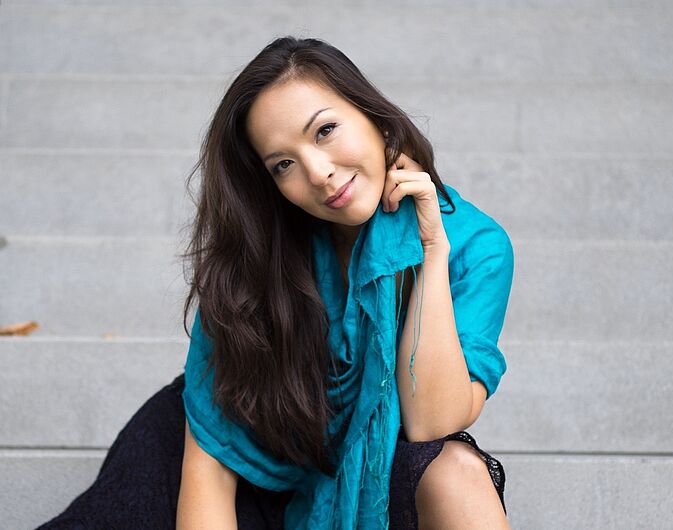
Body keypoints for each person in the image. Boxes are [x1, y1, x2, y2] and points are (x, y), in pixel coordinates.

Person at [37, 35, 514, 529]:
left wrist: (428, 251)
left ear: (376, 118)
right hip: (240, 476)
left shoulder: (476, 247)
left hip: (374, 488)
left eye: (325, 130)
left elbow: (432, 424)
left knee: (455, 470)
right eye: (283, 164)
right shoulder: (258, 258)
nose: (319, 173)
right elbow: (212, 459)